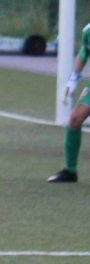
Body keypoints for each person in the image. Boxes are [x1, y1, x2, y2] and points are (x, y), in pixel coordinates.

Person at [51, 20, 90, 183]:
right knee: (75, 118)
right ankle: (70, 171)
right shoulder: (88, 31)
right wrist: (73, 80)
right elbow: (84, 52)